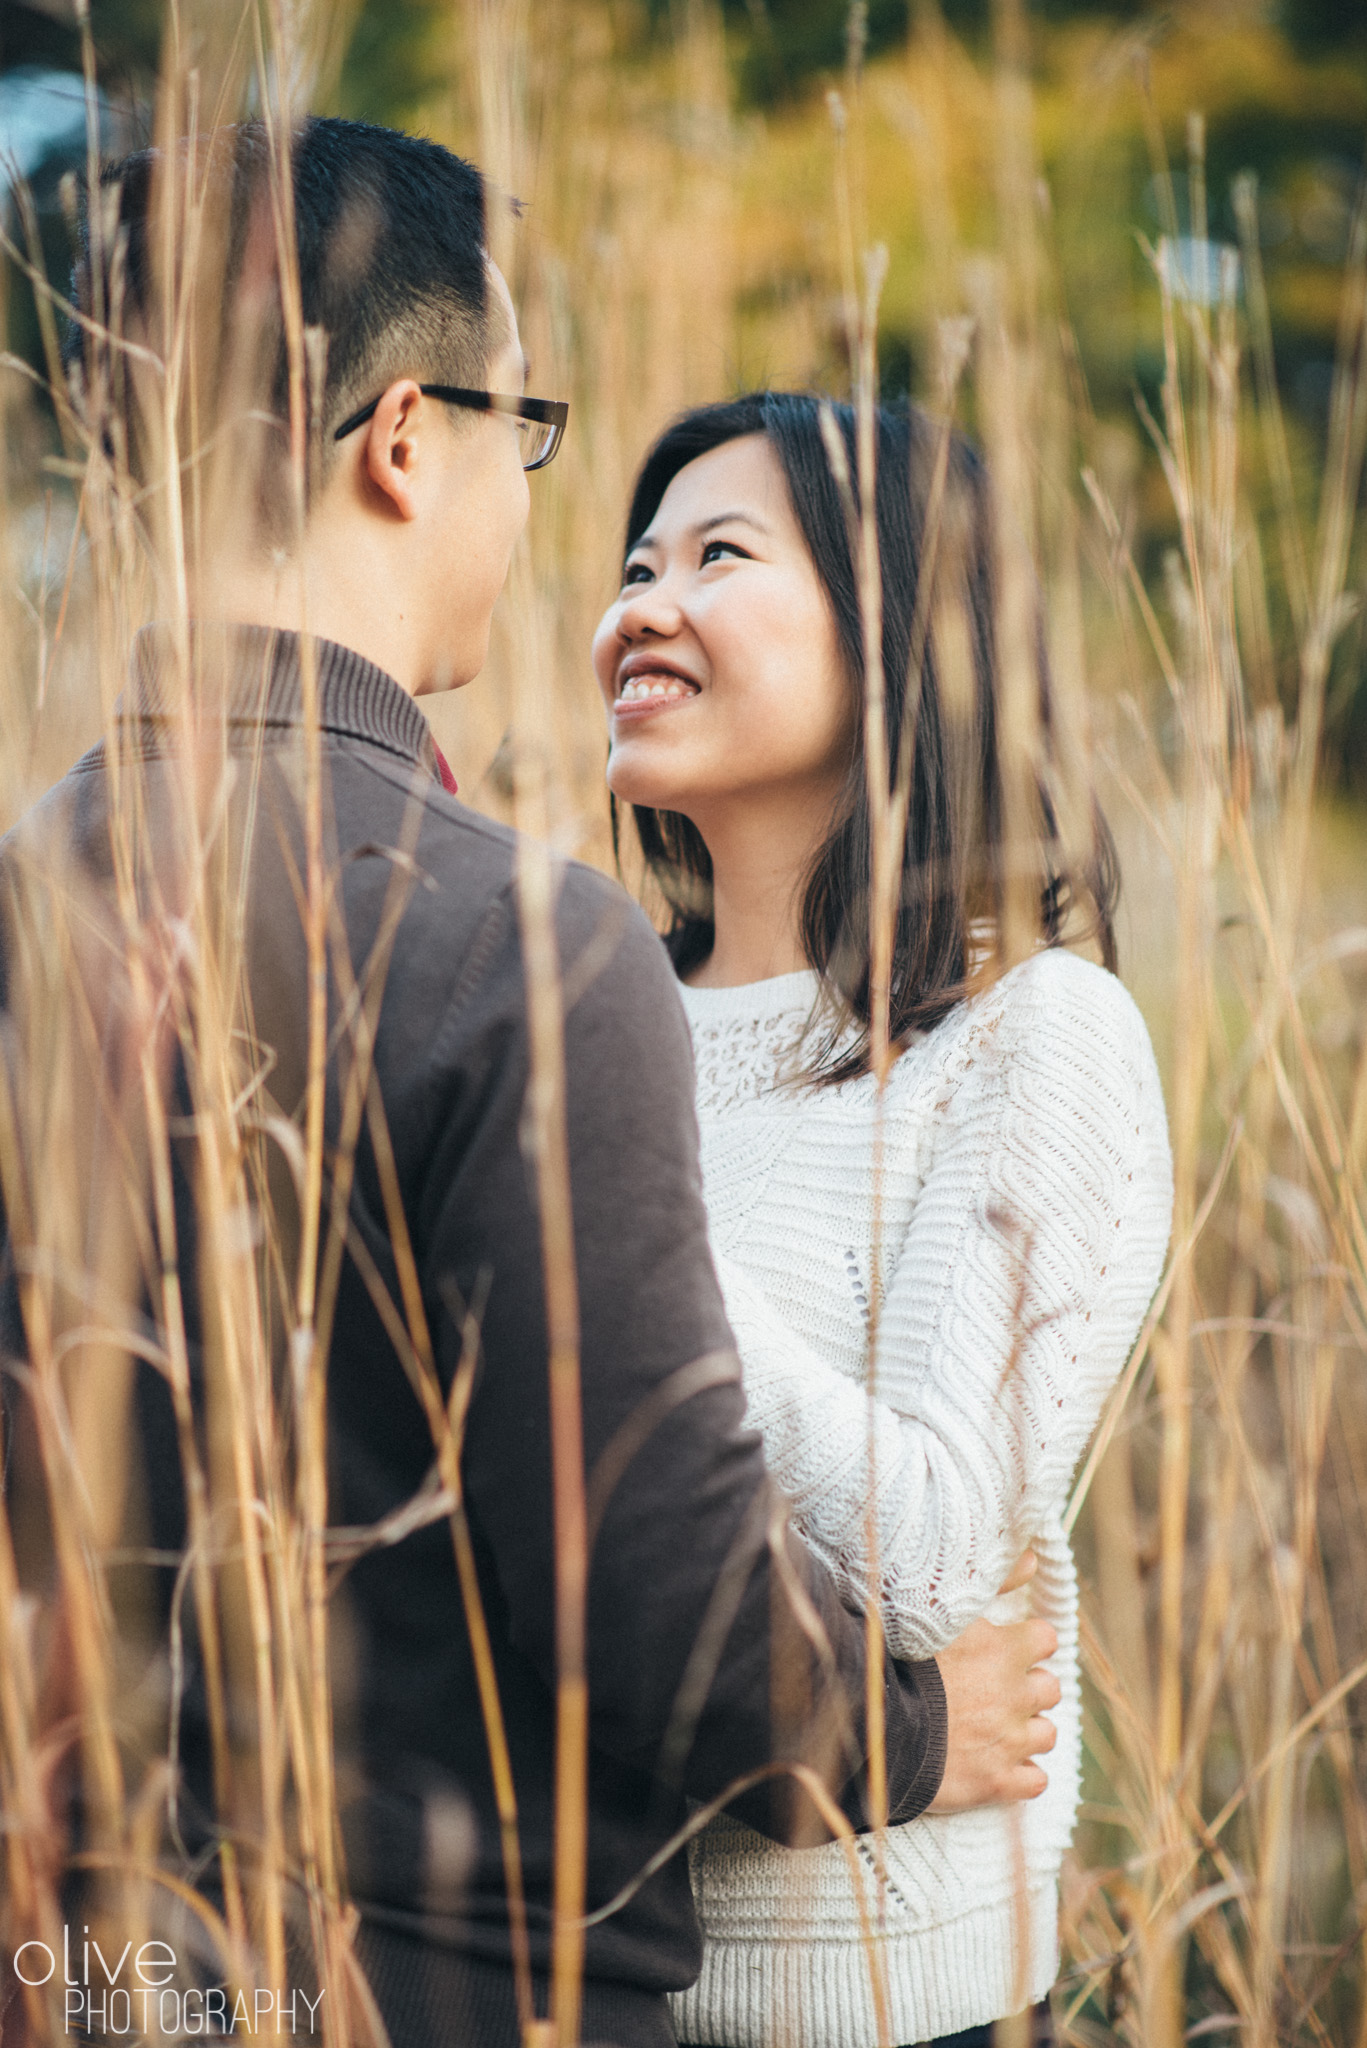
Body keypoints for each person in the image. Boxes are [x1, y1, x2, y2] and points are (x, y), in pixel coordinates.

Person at [0, 127, 1060, 2048]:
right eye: (527, 425)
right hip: (452, 1992)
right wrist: (919, 1731)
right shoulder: (516, 942)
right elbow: (655, 1582)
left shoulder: (32, 876)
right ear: (406, 435)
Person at [593, 393, 1174, 2048]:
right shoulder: (584, 1002)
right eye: (633, 563)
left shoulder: (1036, 1039)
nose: (640, 605)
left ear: (900, 624)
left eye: (717, 555)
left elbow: (926, 1562)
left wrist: (611, 1212)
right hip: (545, 1969)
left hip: (860, 2005)